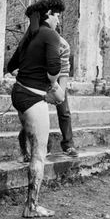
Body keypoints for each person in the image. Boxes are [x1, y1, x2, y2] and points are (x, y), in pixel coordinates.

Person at [7, 0, 66, 217]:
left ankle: (30, 201)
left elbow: (11, 65)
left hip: (19, 93)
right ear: (48, 13)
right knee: (39, 154)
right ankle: (31, 207)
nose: (58, 20)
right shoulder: (50, 34)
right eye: (57, 15)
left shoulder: (29, 35)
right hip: (34, 97)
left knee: (33, 147)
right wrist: (52, 84)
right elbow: (53, 68)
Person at [17, 24, 79, 161]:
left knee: (64, 111)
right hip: (36, 83)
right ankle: (37, 148)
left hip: (55, 81)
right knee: (31, 115)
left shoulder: (63, 45)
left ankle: (68, 144)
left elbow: (64, 71)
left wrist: (60, 92)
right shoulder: (33, 44)